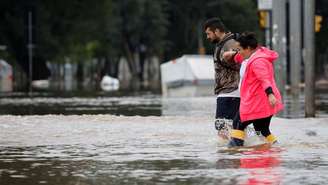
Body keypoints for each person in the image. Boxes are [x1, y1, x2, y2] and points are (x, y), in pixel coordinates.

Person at [226, 32, 284, 147]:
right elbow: (239, 57)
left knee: (238, 124)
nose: (238, 52)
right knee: (262, 129)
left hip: (258, 102)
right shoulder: (256, 55)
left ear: (247, 48)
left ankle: (233, 153)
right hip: (263, 102)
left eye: (239, 49)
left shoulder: (258, 62)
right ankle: (275, 147)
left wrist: (270, 94)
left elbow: (264, 79)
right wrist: (230, 55)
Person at [203, 17, 241, 139]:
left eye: (209, 33)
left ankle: (226, 156)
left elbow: (242, 59)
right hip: (230, 93)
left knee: (222, 131)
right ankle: (234, 154)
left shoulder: (229, 44)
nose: (207, 37)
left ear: (217, 31)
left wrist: (232, 54)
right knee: (230, 130)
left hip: (230, 93)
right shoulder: (224, 43)